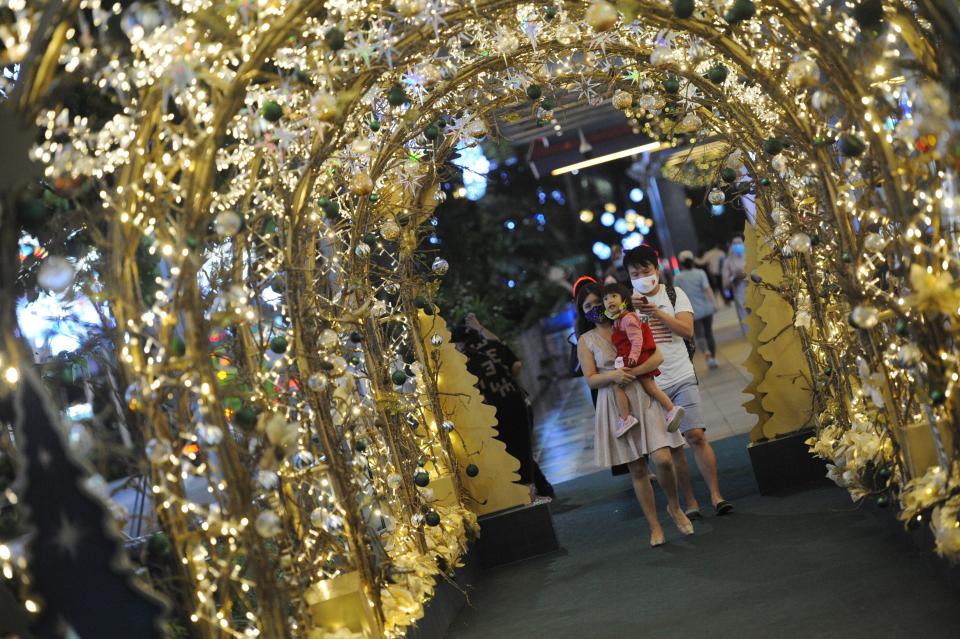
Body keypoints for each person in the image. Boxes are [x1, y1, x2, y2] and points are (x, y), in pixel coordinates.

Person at [575, 280, 694, 546]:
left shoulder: (629, 320)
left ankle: (673, 506)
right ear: (582, 311)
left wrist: (631, 373)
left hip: (643, 392)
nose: (597, 308)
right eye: (588, 306)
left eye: (599, 302)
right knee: (638, 468)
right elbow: (591, 379)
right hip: (615, 402)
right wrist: (614, 376)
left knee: (663, 459)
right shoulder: (586, 340)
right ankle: (654, 526)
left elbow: (657, 357)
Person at [624, 244, 733, 519]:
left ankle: (716, 495)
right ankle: (690, 501)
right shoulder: (626, 306)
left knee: (695, 435)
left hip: (682, 375)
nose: (641, 276)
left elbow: (686, 329)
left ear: (656, 269)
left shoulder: (674, 294)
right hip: (652, 386)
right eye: (634, 273)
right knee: (674, 449)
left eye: (645, 270)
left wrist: (654, 311)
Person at [452, 315, 555, 500]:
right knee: (523, 449)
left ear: (458, 343)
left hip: (493, 412)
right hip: (517, 403)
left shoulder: (463, 361)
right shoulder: (493, 346)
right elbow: (516, 366)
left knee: (511, 453)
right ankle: (543, 489)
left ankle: (529, 495)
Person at [601, 282, 684, 436]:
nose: (610, 300)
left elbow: (637, 339)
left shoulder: (627, 319)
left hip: (636, 358)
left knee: (621, 386)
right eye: (605, 298)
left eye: (614, 296)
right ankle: (671, 409)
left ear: (624, 299)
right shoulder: (619, 320)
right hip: (634, 357)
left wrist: (633, 357)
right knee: (650, 388)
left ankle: (627, 418)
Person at [674, 250, 719, 369]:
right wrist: (714, 303)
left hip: (692, 311)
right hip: (706, 308)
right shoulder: (700, 273)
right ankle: (713, 358)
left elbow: (676, 295)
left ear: (681, 263)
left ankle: (707, 355)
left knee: (699, 335)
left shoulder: (678, 278)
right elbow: (708, 289)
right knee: (709, 333)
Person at [722, 235, 749, 335]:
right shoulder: (728, 262)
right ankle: (748, 334)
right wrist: (734, 277)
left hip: (753, 288)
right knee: (743, 313)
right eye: (735, 243)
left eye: (739, 243)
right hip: (739, 290)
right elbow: (725, 282)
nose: (737, 245)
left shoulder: (750, 256)